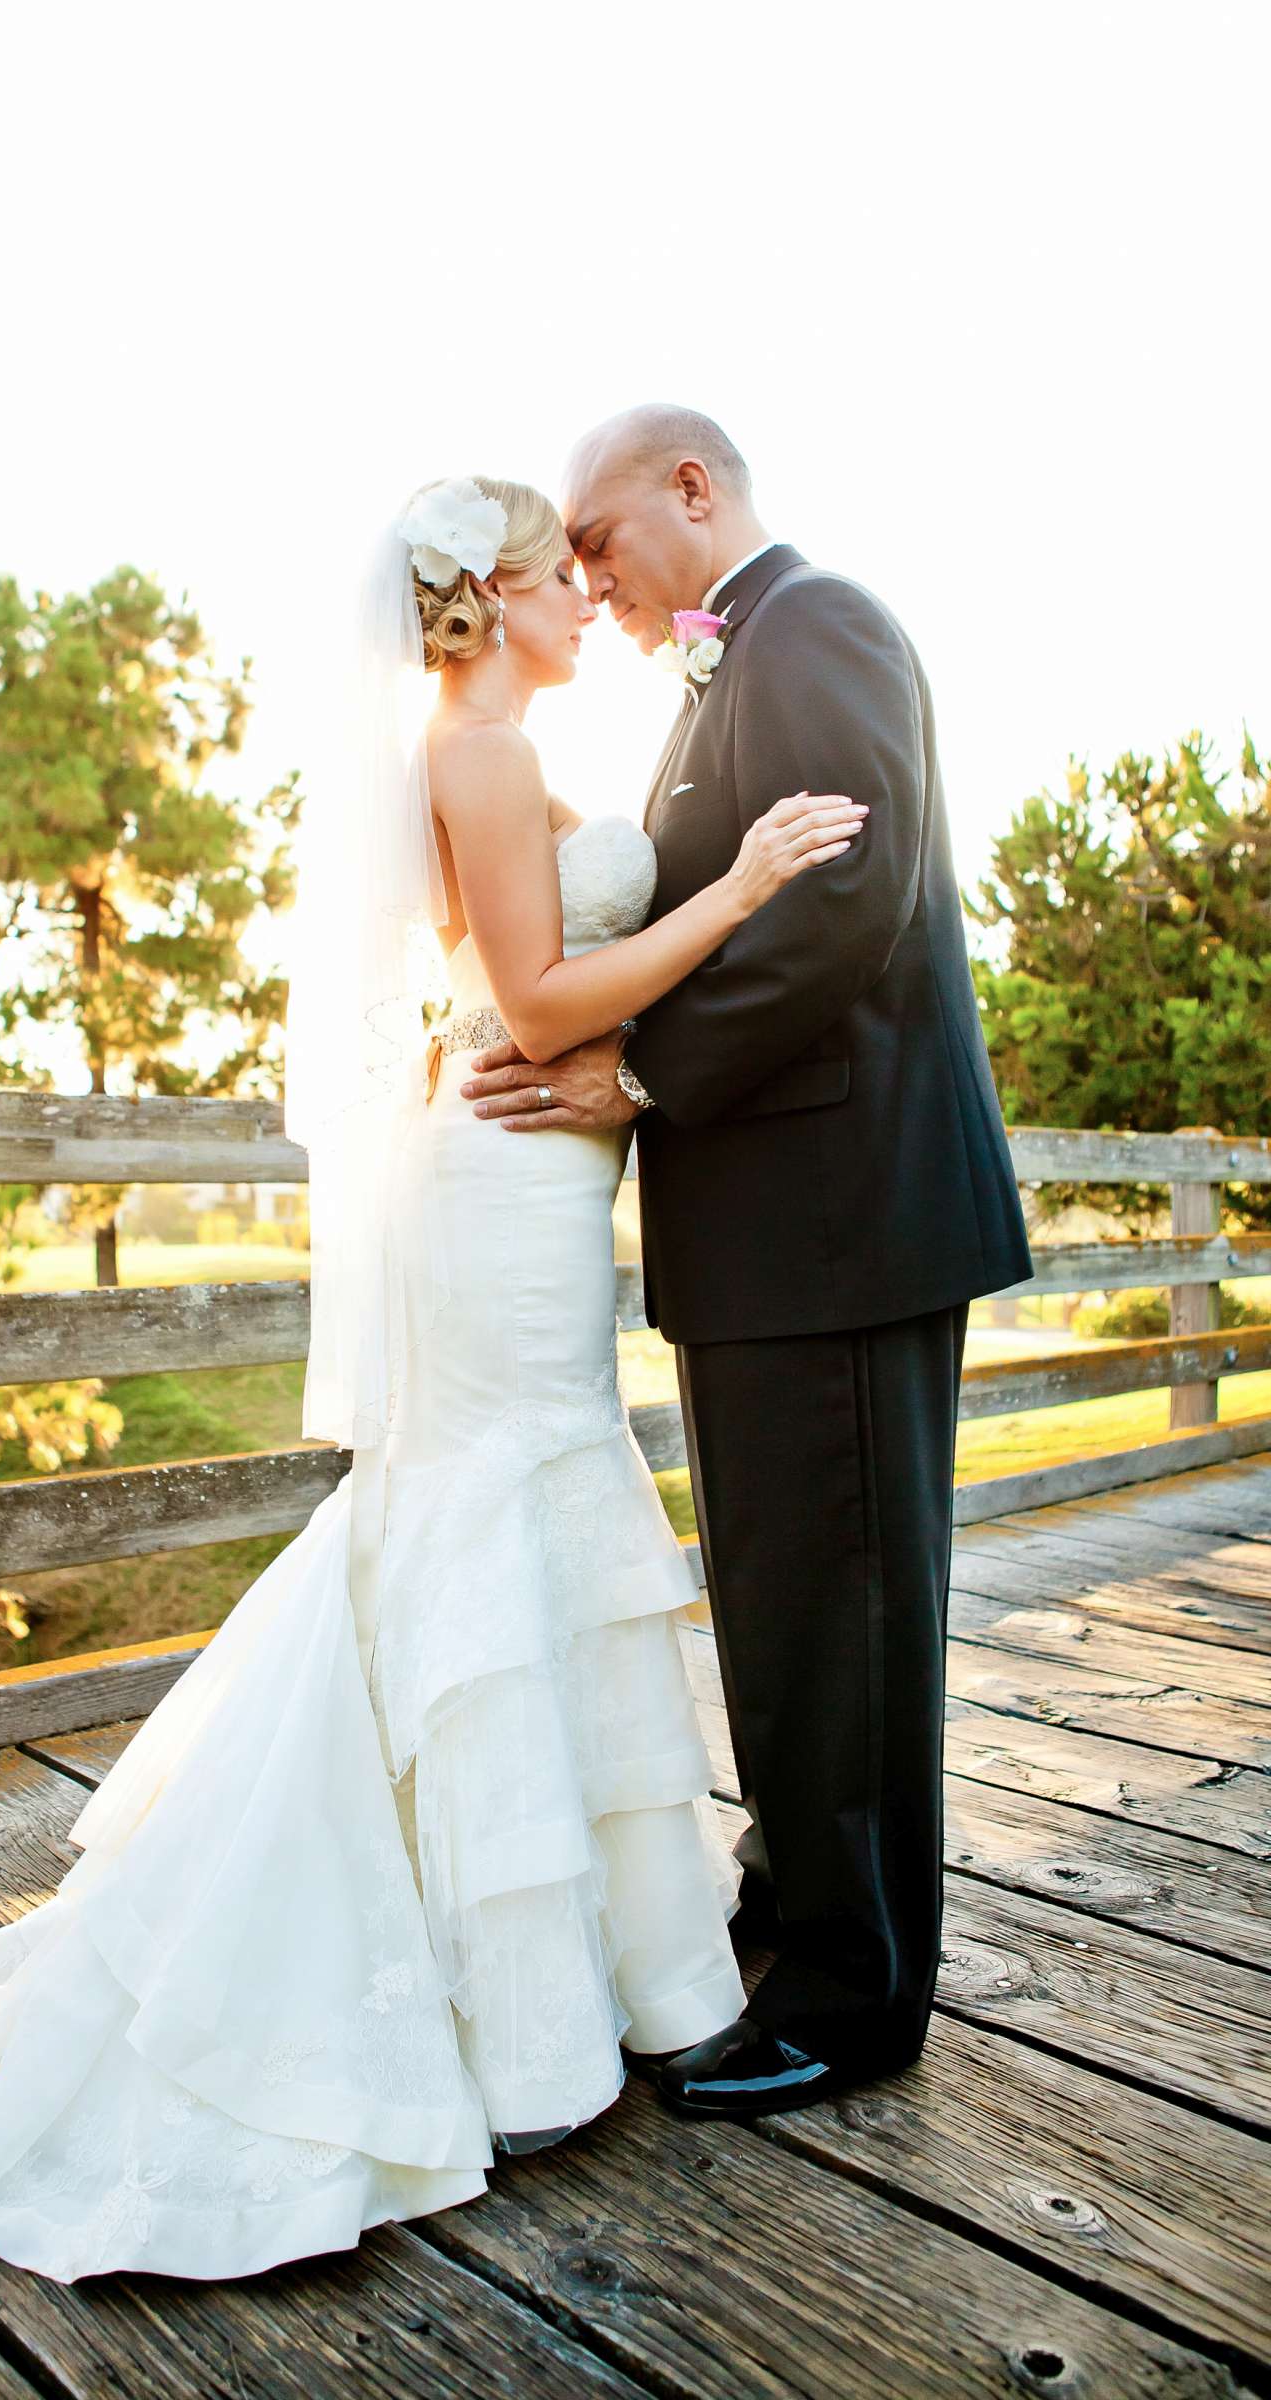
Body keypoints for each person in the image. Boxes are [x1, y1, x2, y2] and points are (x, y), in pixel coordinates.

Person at [0, 472, 863, 2281]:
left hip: (535, 1180)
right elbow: (539, 1006)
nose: (583, 600)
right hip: (507, 1180)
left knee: (519, 1512)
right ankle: (481, 1994)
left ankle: (572, 1979)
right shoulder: (468, 748)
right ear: (490, 602)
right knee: (487, 1515)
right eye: (561, 574)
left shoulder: (487, 739)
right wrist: (750, 885)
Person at [459, 407, 1033, 2119]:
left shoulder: (824, 624)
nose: (585, 574)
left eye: (600, 535)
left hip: (844, 1219)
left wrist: (633, 1074)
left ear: (692, 491)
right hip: (765, 1235)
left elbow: (845, 909)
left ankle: (856, 2001)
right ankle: (793, 1916)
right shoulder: (724, 675)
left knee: (846, 1617)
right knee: (787, 1612)